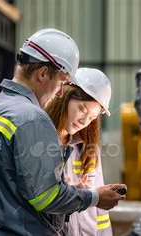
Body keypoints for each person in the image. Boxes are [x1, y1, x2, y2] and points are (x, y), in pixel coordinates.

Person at [0, 28, 126, 235]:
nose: (60, 92)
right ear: (42, 73)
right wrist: (94, 197)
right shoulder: (33, 117)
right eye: (61, 83)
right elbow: (46, 198)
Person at [45, 68, 113, 235]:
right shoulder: (40, 142)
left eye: (91, 117)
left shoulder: (87, 148)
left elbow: (100, 212)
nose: (84, 121)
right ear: (65, 97)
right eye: (83, 110)